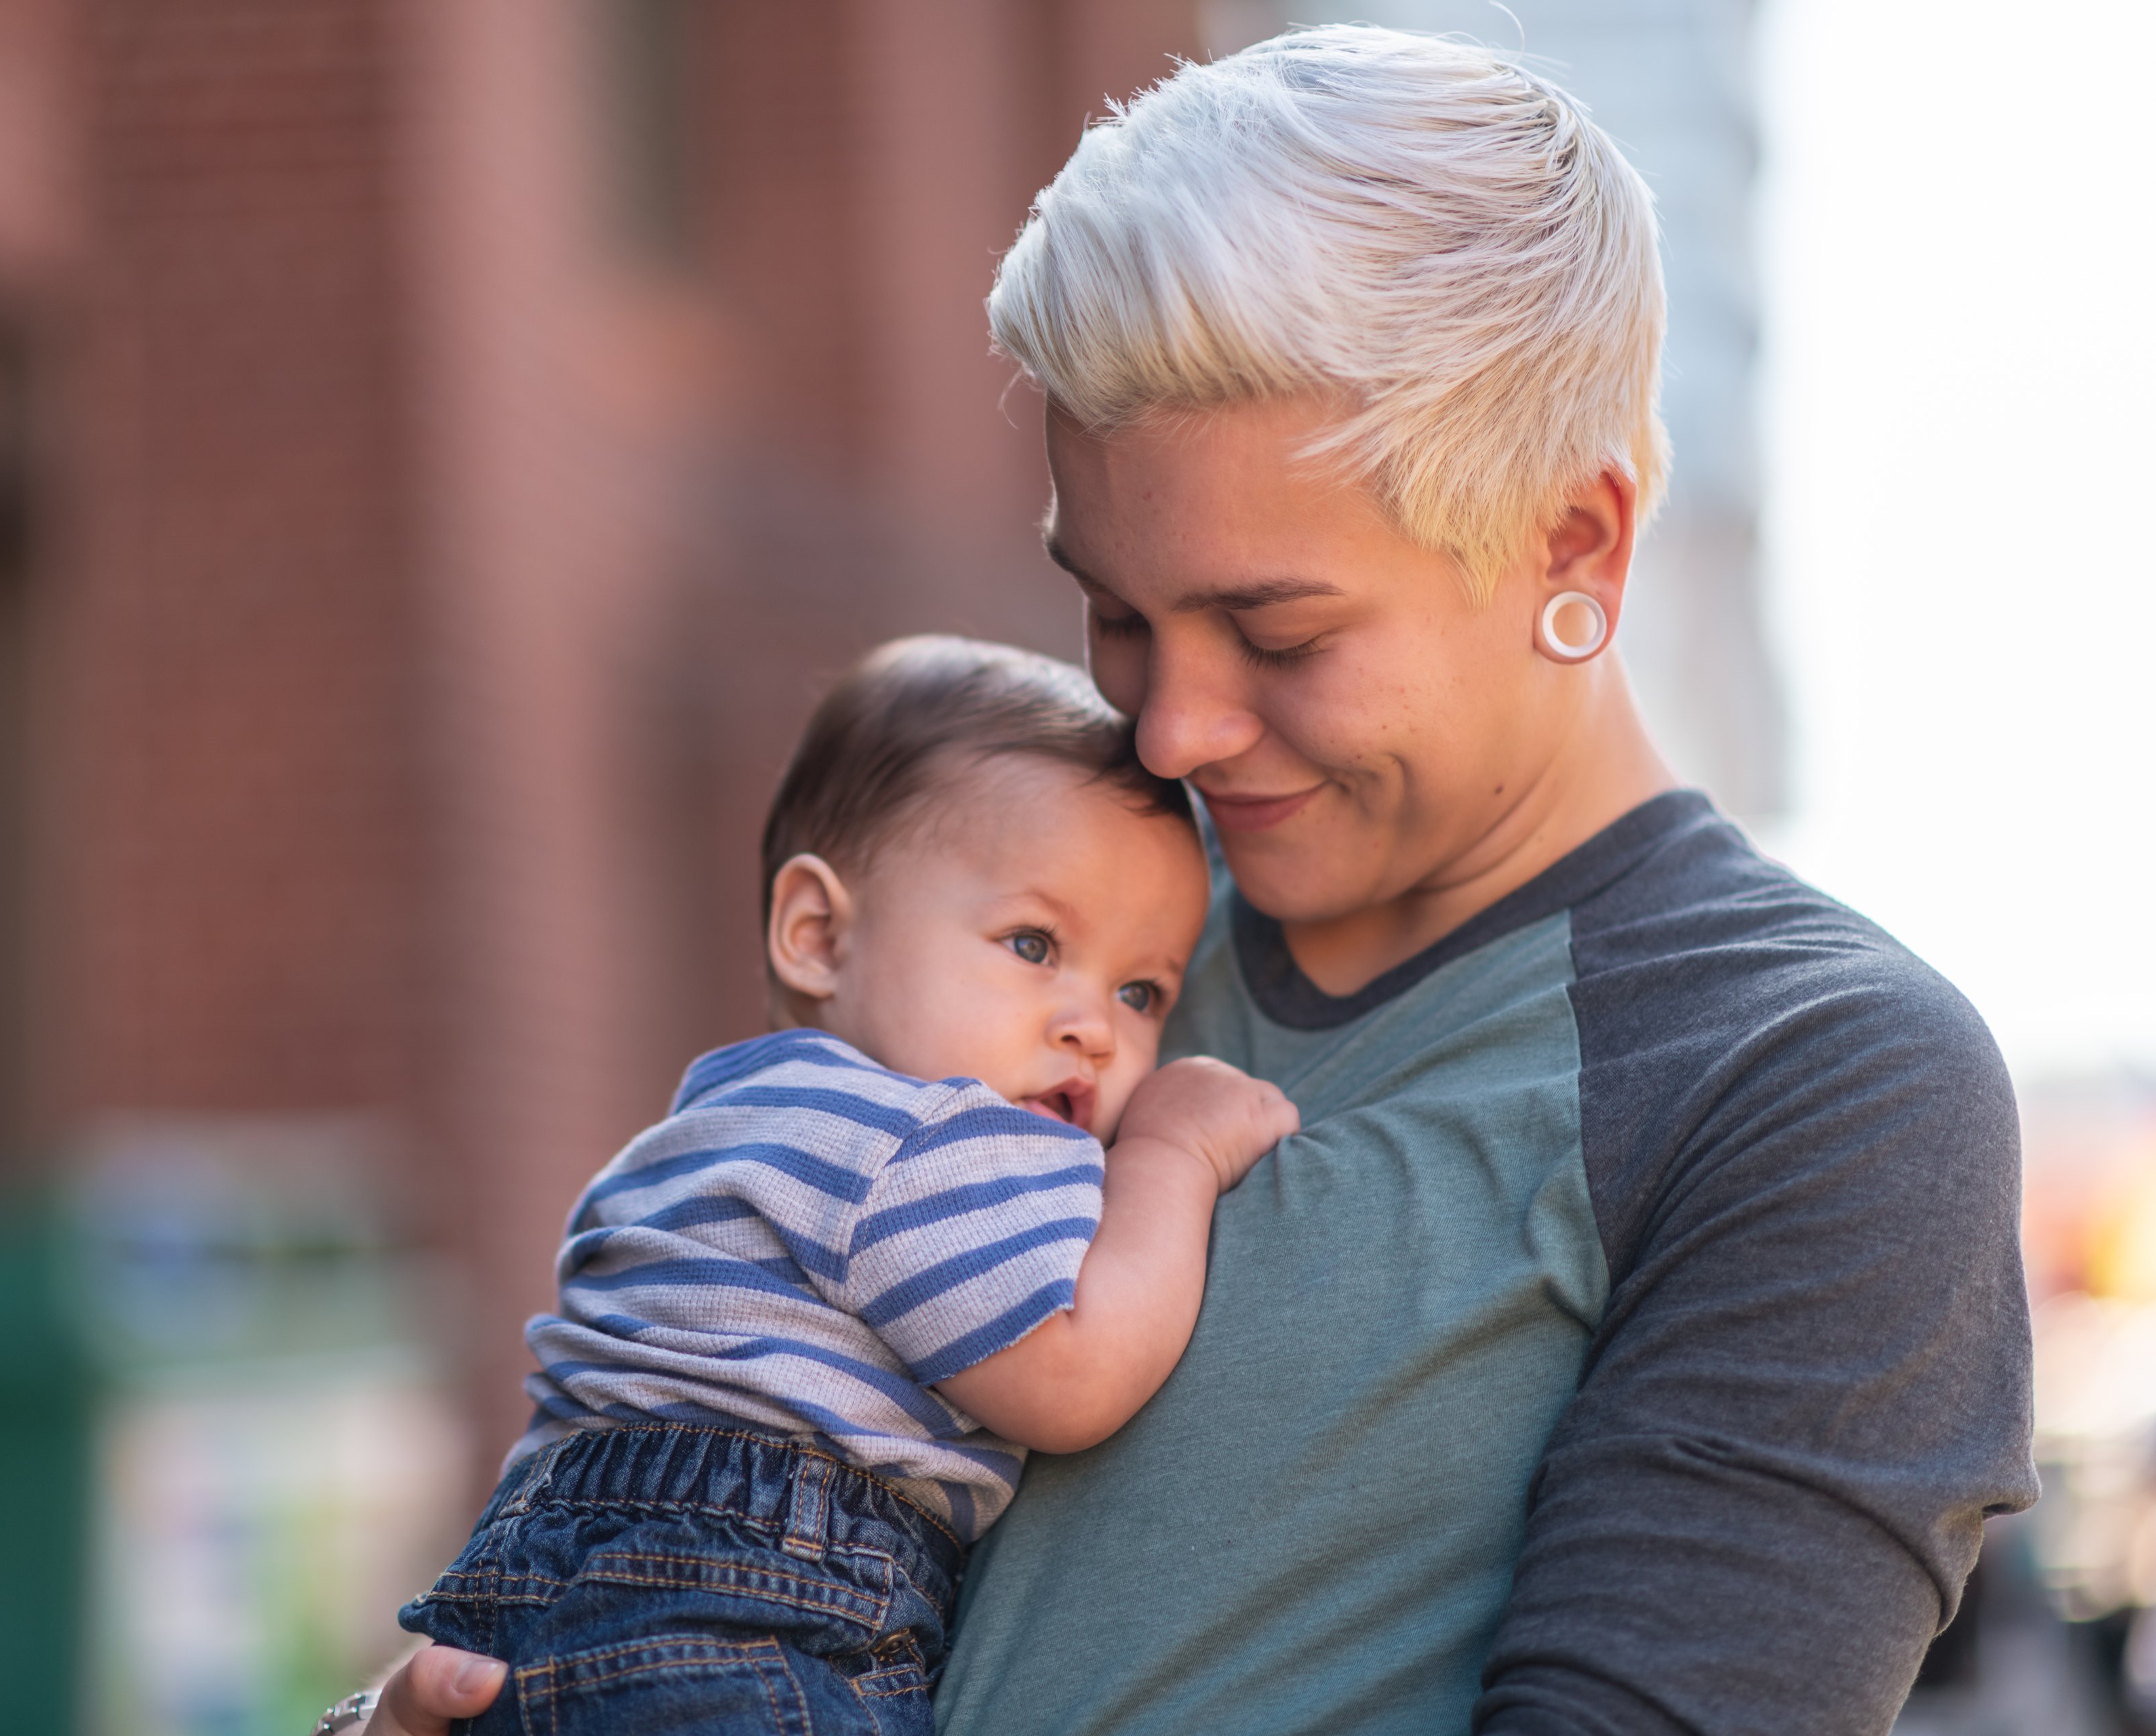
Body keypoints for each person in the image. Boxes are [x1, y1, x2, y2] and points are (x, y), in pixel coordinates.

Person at [356, 22, 2036, 1736]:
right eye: (1114, 612)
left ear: (1573, 544)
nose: (1167, 729)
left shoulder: (1815, 1079)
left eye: (1274, 628)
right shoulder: (1048, 956)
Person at [366, 637, 1295, 1735]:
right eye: (1033, 942)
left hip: (536, 1596)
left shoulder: (717, 1126)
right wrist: (1171, 1160)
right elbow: (1076, 1377)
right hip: (751, 1607)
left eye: (1141, 990)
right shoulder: (913, 1134)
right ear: (818, 936)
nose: (1091, 1026)